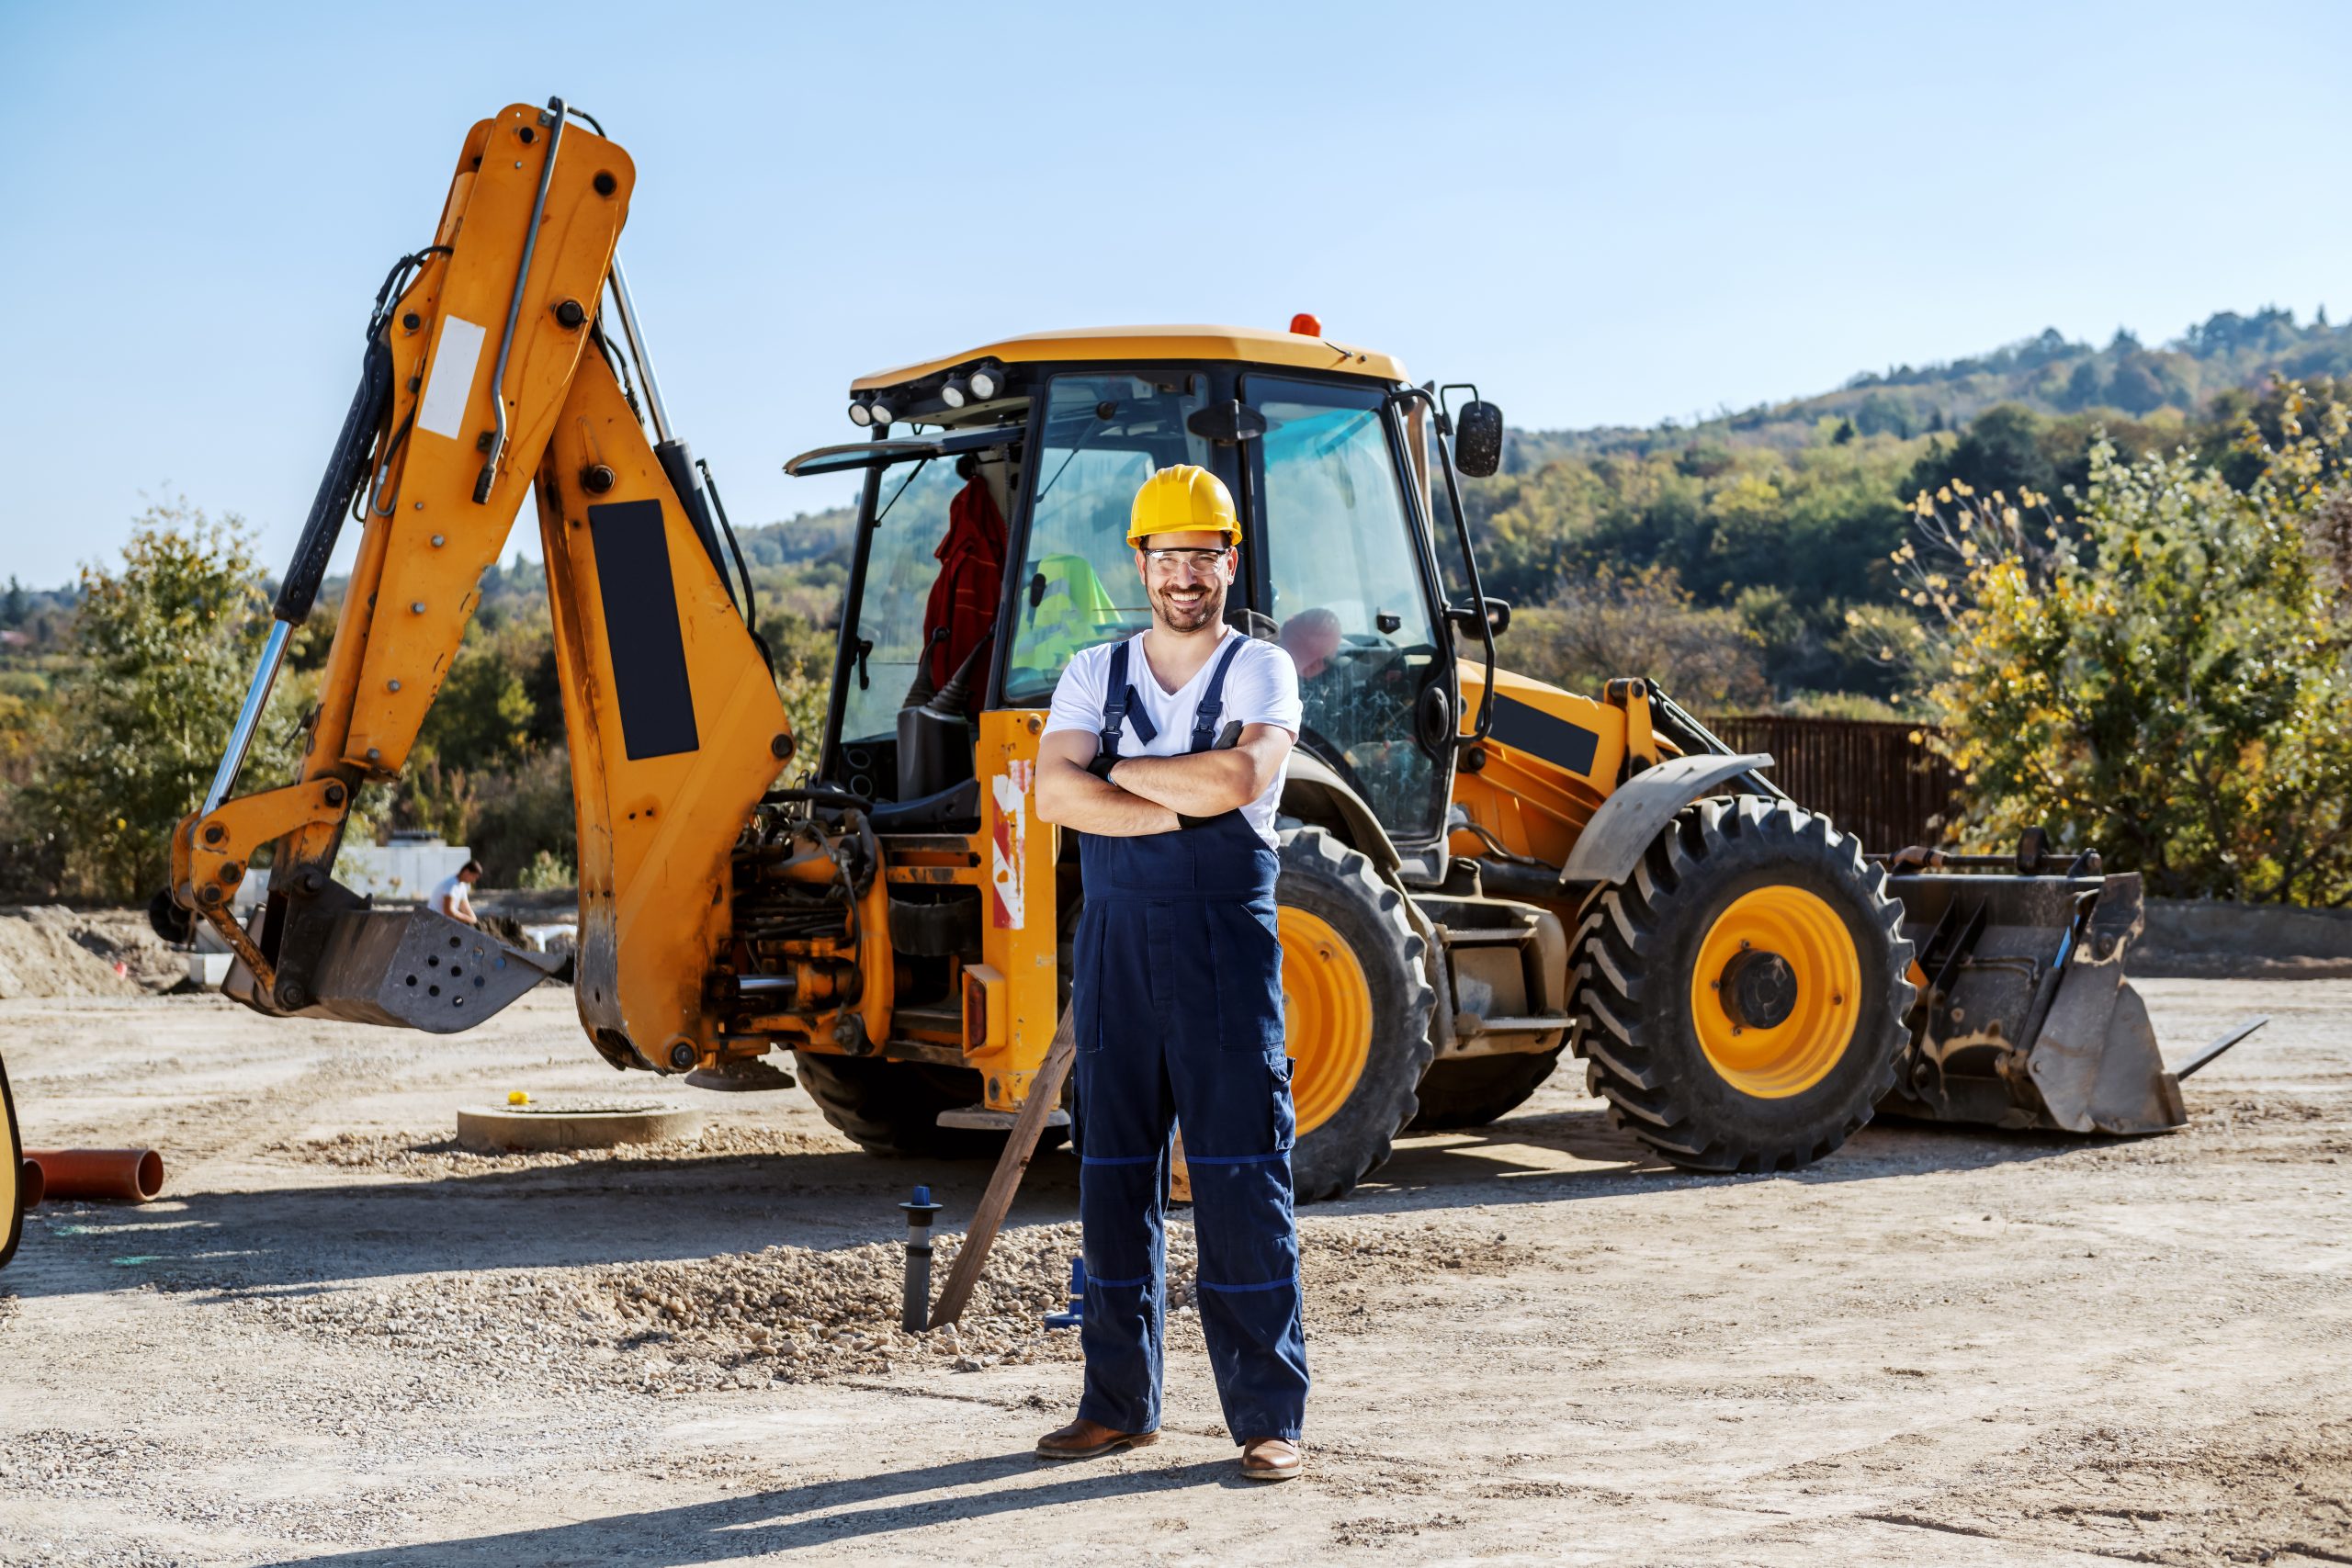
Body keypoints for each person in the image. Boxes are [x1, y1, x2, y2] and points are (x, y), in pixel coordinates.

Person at [1032, 462, 1310, 1483]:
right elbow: (1052, 798)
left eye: (1204, 554)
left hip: (1221, 946)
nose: (1185, 574)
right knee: (1110, 1175)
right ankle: (1116, 1403)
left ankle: (1268, 1416)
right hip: (1113, 947)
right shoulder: (1091, 673)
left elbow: (1241, 778)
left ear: (1229, 560)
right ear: (1139, 562)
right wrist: (1172, 802)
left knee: (1240, 1174)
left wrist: (1114, 776)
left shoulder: (1260, 670)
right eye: (1168, 555)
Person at [429, 860, 482, 928]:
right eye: (474, 877)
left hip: (442, 923)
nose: (474, 881)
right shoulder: (451, 884)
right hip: (434, 922)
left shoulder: (462, 886)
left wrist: (473, 919)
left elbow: (466, 908)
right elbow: (448, 912)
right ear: (467, 872)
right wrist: (469, 920)